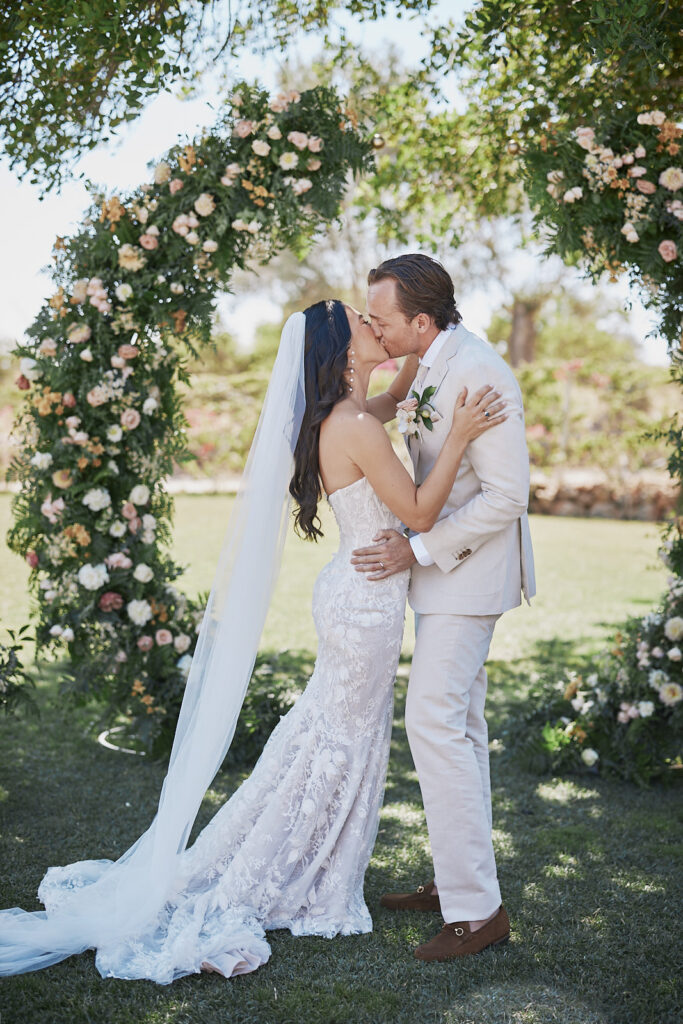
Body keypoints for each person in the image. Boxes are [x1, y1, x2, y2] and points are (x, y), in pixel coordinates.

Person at [0, 299, 505, 983]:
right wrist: (460, 435)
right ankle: (290, 871)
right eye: (361, 320)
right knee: (337, 742)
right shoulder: (353, 424)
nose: (372, 323)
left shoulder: (347, 414)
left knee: (326, 736)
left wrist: (416, 355)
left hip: (354, 593)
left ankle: (294, 857)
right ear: (340, 347)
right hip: (364, 603)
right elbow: (417, 511)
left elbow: (389, 401)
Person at [351, 254, 536, 962]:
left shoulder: (480, 371)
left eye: (382, 319)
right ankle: (457, 881)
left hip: (468, 578)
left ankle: (476, 912)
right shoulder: (428, 362)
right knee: (458, 726)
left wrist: (418, 550)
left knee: (431, 720)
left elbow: (507, 496)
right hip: (445, 579)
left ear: (422, 321)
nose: (374, 328)